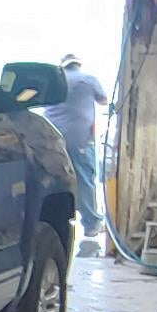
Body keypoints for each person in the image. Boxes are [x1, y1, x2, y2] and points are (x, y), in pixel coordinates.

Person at [42, 55, 108, 237]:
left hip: (52, 139)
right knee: (85, 180)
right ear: (78, 65)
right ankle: (92, 223)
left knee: (54, 180)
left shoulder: (53, 82)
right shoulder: (87, 79)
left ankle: (53, 222)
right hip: (80, 139)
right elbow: (103, 100)